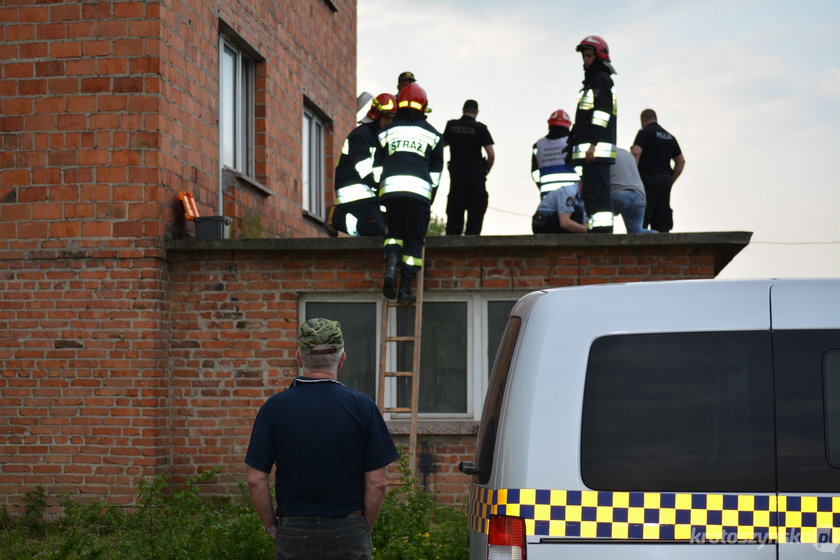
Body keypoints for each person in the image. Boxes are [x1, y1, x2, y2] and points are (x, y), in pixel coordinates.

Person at [245, 318, 399, 560]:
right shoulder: (362, 407)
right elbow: (378, 482)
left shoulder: (274, 408)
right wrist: (362, 528)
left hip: (294, 531)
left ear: (298, 358)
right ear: (342, 358)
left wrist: (272, 526)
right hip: (348, 528)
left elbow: (255, 480)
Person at [373, 83, 443, 304]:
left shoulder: (386, 132)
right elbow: (436, 174)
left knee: (394, 233)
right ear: (424, 106)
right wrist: (429, 196)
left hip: (391, 193)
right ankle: (404, 290)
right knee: (414, 240)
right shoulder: (433, 135)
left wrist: (380, 191)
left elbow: (376, 167)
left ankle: (390, 271)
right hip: (418, 195)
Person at [324, 93, 396, 237]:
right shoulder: (362, 135)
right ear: (376, 115)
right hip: (354, 191)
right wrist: (379, 187)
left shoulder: (379, 138)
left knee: (390, 228)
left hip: (370, 191)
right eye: (387, 117)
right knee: (375, 228)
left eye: (393, 118)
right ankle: (336, 217)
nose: (390, 122)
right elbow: (363, 168)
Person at [568, 35, 617, 233]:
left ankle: (603, 238)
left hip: (596, 152)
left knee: (600, 197)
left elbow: (601, 114)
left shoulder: (602, 81)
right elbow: (583, 119)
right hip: (588, 154)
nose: (585, 60)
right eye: (584, 56)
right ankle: (594, 234)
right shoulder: (590, 83)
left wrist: (593, 145)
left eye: (588, 56)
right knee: (590, 197)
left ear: (598, 57)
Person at [442, 99, 495, 235]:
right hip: (475, 178)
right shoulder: (481, 128)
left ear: (463, 110)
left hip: (457, 178)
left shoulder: (452, 125)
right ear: (476, 112)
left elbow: (441, 145)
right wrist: (486, 170)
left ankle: (452, 250)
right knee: (475, 218)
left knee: (454, 218)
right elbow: (491, 154)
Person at [631, 108, 685, 232]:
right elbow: (681, 161)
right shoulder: (670, 137)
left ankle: (641, 245)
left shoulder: (645, 132)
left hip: (647, 179)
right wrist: (671, 180)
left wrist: (633, 176)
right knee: (662, 217)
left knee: (643, 215)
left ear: (643, 119)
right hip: (665, 180)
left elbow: (636, 152)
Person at [531, 109, 580, 199]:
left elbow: (535, 173)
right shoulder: (573, 143)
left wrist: (542, 186)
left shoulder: (538, 145)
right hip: (571, 194)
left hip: (547, 195)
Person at [610, 147, 654, 233]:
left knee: (598, 218)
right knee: (637, 232)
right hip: (639, 196)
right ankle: (657, 237)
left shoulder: (603, 152)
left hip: (618, 193)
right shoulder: (626, 153)